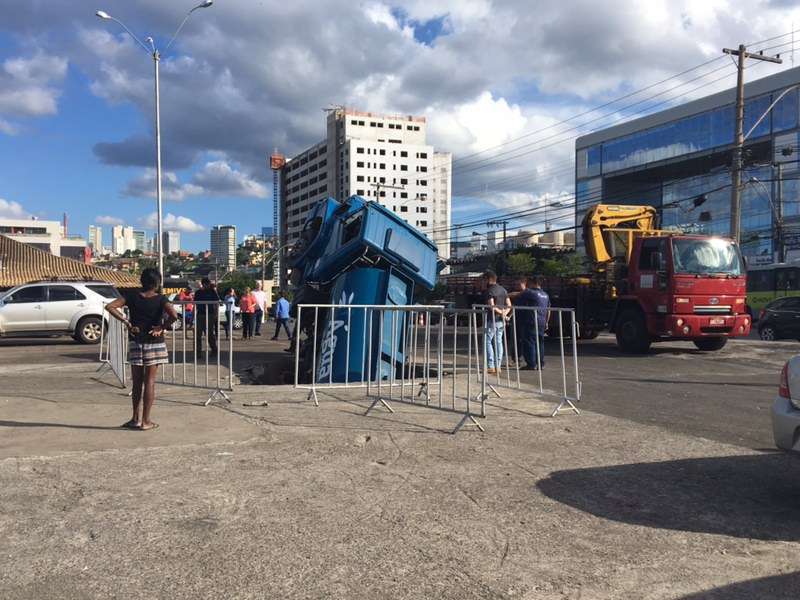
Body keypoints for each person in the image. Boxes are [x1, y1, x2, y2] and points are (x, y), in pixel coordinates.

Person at [105, 268, 177, 431]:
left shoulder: (132, 297)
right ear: (157, 282)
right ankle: (146, 421)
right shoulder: (160, 299)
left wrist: (127, 322)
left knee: (137, 382)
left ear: (142, 281)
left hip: (136, 341)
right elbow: (174, 315)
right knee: (149, 381)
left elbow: (110, 307)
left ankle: (135, 418)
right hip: (154, 342)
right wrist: (161, 327)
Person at [515, 276, 550, 369]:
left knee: (529, 342)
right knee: (540, 343)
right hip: (542, 321)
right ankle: (541, 363)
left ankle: (531, 364)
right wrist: (546, 322)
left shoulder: (529, 292)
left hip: (531, 321)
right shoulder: (545, 294)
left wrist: (505, 295)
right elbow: (548, 310)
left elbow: (517, 295)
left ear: (532, 283)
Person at [483, 270, 511, 375]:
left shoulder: (489, 291)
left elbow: (492, 306)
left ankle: (491, 366)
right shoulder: (503, 290)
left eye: (484, 279)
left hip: (493, 319)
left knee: (487, 341)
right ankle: (498, 365)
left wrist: (500, 313)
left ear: (488, 279)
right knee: (499, 341)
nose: (483, 282)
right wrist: (505, 313)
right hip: (501, 321)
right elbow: (509, 305)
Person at [194, 277, 220, 355]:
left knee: (209, 334)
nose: (207, 285)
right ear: (203, 284)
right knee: (198, 334)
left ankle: (214, 350)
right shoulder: (198, 292)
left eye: (208, 284)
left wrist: (216, 314)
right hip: (200, 314)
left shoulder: (212, 292)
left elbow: (216, 303)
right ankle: (198, 352)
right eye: (205, 284)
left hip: (210, 314)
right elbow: (195, 304)